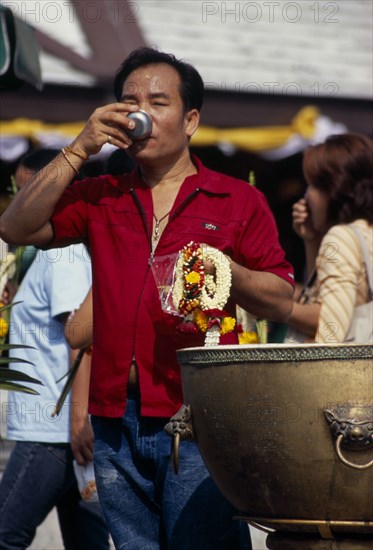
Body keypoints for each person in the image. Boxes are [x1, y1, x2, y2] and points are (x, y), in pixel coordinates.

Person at [0, 47, 294, 549]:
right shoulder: (102, 195)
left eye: (158, 102)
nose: (140, 113)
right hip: (114, 418)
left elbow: (281, 297)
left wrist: (226, 270)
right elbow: (14, 226)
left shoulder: (237, 199)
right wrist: (79, 148)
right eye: (129, 101)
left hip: (197, 418)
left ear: (191, 119)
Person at [0, 153, 110, 549]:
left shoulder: (62, 254)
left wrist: (79, 419)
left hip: (52, 428)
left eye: (27, 187)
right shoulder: (48, 252)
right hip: (59, 426)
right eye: (15, 189)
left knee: (4, 533)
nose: (18, 199)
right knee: (88, 543)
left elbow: (81, 339)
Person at [286, 132, 373, 343]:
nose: (306, 195)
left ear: (336, 188)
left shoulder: (340, 238)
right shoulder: (365, 232)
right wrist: (312, 240)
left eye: (313, 185)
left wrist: (277, 308)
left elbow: (331, 334)